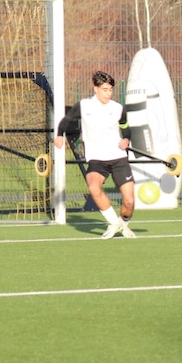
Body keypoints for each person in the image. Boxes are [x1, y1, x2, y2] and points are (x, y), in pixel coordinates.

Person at [54, 71, 137, 239]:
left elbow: (125, 128)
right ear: (96, 89)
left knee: (129, 201)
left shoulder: (118, 108)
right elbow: (65, 122)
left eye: (110, 90)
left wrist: (126, 139)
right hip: (96, 159)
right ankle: (114, 223)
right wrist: (59, 135)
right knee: (93, 187)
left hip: (118, 158)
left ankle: (122, 224)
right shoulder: (84, 106)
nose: (108, 93)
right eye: (105, 90)